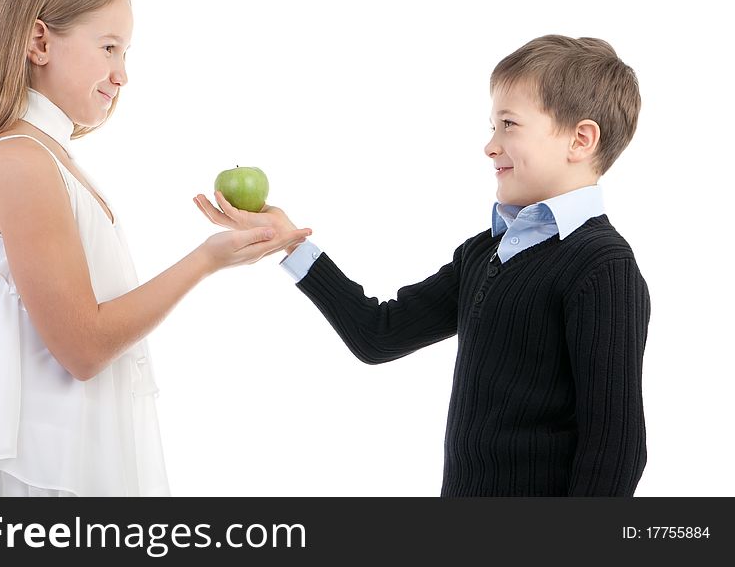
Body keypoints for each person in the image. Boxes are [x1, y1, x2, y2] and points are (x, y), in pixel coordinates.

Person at [195, 35, 651, 496]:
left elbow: (615, 450)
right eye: (492, 126)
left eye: (508, 125)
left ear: (581, 139)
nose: (490, 146)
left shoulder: (603, 266)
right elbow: (379, 333)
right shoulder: (484, 253)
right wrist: (288, 244)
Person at [0, 0, 311, 497]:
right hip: (42, 475)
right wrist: (207, 259)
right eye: (108, 47)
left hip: (67, 459)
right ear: (39, 43)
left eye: (125, 52)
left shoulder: (51, 159)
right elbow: (83, 348)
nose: (122, 75)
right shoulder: (22, 162)